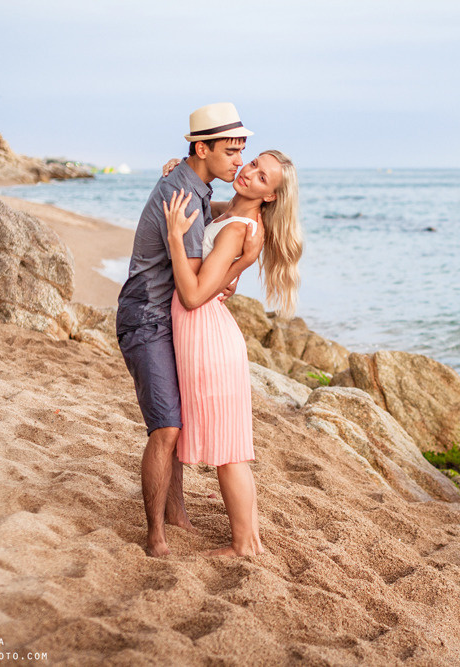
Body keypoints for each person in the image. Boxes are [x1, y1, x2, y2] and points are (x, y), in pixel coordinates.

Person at [116, 102, 253, 557]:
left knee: (176, 420)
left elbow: (206, 215)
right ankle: (155, 533)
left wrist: (241, 227)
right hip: (146, 318)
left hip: (164, 316)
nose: (238, 160)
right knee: (168, 428)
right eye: (231, 151)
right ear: (202, 147)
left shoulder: (191, 186)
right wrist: (233, 265)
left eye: (243, 152)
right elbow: (192, 284)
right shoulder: (181, 193)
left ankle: (176, 514)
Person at [163, 149, 302, 557]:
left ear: (271, 196)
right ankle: (249, 539)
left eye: (263, 178)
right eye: (254, 163)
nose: (250, 172)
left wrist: (175, 238)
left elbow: (191, 296)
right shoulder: (232, 213)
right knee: (229, 446)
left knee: (228, 451)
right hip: (206, 332)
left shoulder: (238, 228)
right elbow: (204, 203)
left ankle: (245, 544)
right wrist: (179, 172)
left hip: (207, 335)